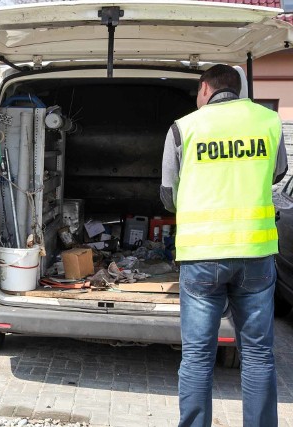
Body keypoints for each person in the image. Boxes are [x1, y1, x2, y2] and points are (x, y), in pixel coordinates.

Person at [161, 64, 288, 427]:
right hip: (256, 254)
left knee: (198, 357)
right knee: (260, 355)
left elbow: (168, 196)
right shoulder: (269, 121)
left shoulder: (184, 127)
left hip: (202, 258)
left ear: (205, 89)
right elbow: (278, 174)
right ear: (239, 88)